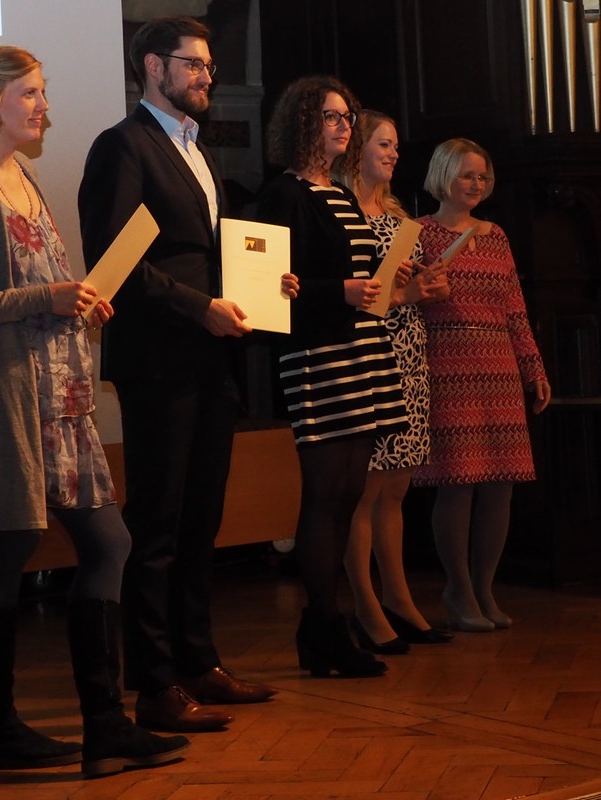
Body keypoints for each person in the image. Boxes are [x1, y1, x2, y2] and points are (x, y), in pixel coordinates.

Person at [0, 45, 190, 778]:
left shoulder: (21, 179)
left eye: (42, 92)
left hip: (58, 399)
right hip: (4, 404)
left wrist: (78, 297)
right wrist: (47, 297)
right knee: (11, 554)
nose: (43, 106)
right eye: (29, 93)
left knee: (106, 544)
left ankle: (97, 727)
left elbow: (36, 285)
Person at [78, 16, 277, 733]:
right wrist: (201, 309)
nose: (205, 77)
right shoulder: (121, 146)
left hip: (210, 356)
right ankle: (154, 683)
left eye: (208, 66)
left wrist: (261, 290)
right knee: (158, 523)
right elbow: (115, 260)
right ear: (152, 67)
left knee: (202, 519)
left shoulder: (196, 150)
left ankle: (199, 662)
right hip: (159, 360)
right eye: (192, 65)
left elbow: (204, 253)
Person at [256, 77, 409, 678]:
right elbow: (270, 291)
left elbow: (358, 281)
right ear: (301, 123)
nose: (344, 127)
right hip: (318, 355)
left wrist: (390, 287)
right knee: (324, 497)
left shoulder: (341, 195)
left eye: (347, 117)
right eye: (330, 117)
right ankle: (322, 626)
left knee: (349, 496)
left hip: (363, 350)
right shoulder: (283, 196)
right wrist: (337, 291)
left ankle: (326, 626)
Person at [413, 138, 551, 631]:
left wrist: (532, 366)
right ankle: (458, 590)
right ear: (442, 175)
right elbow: (405, 299)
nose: (476, 184)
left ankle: (485, 589)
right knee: (457, 483)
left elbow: (515, 308)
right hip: (446, 363)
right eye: (466, 174)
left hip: (497, 365)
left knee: (500, 487)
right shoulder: (418, 233)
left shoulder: (497, 236)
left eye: (482, 176)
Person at [340, 110, 453, 654]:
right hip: (362, 355)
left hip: (407, 351)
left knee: (396, 488)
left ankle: (399, 597)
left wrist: (426, 287)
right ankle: (363, 603)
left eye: (396, 146)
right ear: (356, 148)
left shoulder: (399, 218)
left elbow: (401, 292)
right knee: (364, 490)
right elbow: (354, 299)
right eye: (383, 144)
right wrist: (403, 295)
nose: (393, 154)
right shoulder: (339, 212)